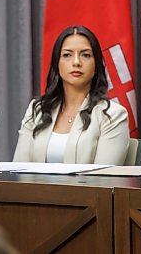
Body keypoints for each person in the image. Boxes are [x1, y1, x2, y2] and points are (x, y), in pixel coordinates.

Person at [13, 25, 130, 165]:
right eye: (67, 55)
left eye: (85, 55)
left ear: (96, 64)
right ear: (57, 63)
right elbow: (18, 171)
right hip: (35, 188)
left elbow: (104, 181)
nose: (76, 62)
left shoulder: (112, 115)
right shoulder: (37, 110)